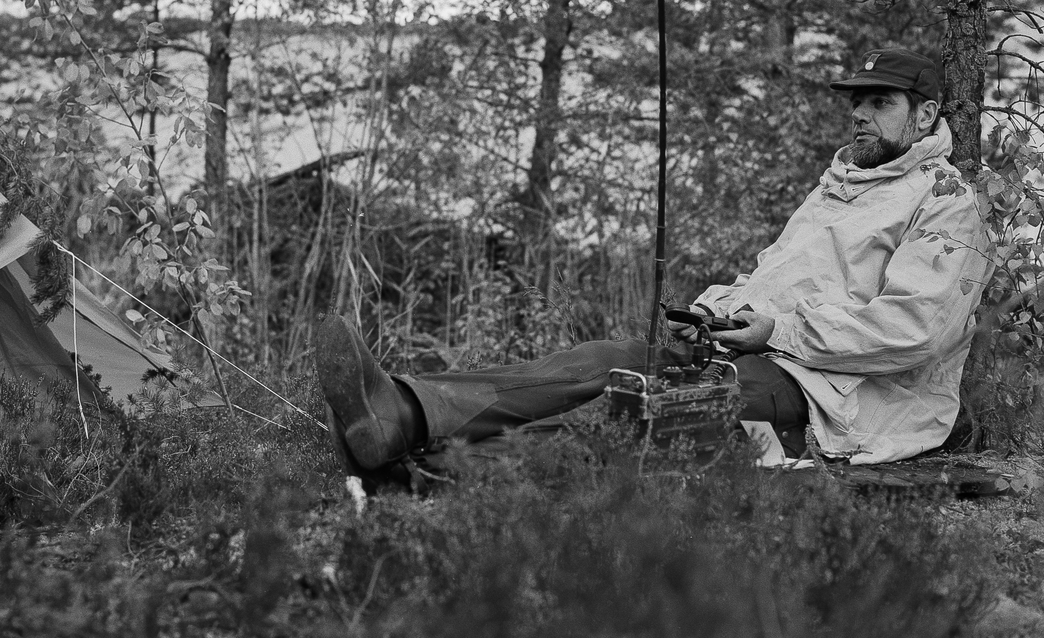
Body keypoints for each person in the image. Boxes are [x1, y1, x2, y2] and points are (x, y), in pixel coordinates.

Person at [314, 47, 993, 487]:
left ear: (925, 113)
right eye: (857, 100)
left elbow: (914, 330)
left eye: (880, 102)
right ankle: (403, 409)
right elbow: (775, 279)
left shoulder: (947, 203)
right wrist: (713, 311)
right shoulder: (840, 184)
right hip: (769, 355)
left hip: (838, 398)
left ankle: (427, 471)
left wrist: (779, 330)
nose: (859, 114)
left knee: (642, 410)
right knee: (603, 358)